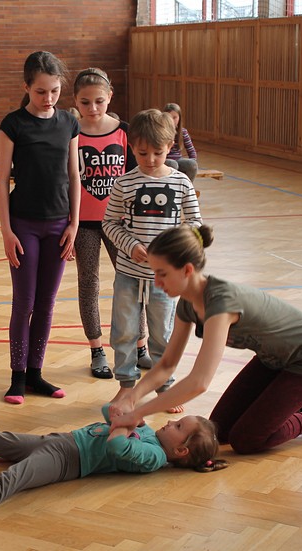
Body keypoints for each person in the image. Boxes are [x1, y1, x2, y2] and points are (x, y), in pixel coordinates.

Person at [108, 224, 302, 454]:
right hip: (274, 360)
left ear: (187, 270)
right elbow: (167, 365)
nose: (156, 282)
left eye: (162, 274)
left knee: (246, 440)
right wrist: (131, 398)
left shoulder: (220, 304)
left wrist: (138, 414)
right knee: (219, 431)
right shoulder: (187, 303)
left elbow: (199, 382)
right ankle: (299, 399)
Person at [0, 404, 226, 532]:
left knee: (9, 480)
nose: (170, 422)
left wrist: (124, 424)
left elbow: (116, 446)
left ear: (180, 450)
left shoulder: (154, 456)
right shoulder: (152, 435)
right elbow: (107, 412)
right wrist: (119, 412)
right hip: (58, 441)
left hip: (66, 460)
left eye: (178, 426)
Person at [0, 51, 81, 405]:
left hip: (59, 225)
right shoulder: (13, 125)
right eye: (41, 92)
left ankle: (35, 373)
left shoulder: (69, 123)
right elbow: (2, 181)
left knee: (47, 303)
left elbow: (74, 175)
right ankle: (17, 376)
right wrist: (7, 230)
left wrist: (74, 223)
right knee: (25, 302)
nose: (48, 99)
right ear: (26, 87)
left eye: (55, 91)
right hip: (24, 226)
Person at [103, 109, 202, 409]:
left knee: (163, 333)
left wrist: (175, 252)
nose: (150, 159)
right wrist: (130, 244)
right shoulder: (124, 183)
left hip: (166, 280)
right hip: (128, 273)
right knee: (124, 330)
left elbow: (195, 225)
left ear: (170, 146)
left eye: (158, 153)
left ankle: (164, 387)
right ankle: (126, 386)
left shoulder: (182, 183)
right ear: (132, 147)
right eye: (142, 153)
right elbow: (110, 223)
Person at [71, 68, 153, 380]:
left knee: (132, 282)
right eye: (85, 102)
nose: (92, 108)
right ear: (75, 101)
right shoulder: (70, 132)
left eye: (99, 101)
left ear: (110, 97)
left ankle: (141, 345)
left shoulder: (124, 132)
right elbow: (66, 181)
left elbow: (136, 179)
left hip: (120, 225)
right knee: (89, 284)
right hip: (84, 225)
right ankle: (96, 350)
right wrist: (68, 225)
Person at [162, 103, 198, 182]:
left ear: (179, 118)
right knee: (172, 164)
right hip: (165, 160)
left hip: (178, 160)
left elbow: (191, 150)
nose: (172, 120)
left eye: (174, 117)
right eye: (169, 117)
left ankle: (187, 186)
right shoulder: (161, 131)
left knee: (192, 164)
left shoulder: (183, 132)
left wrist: (193, 161)